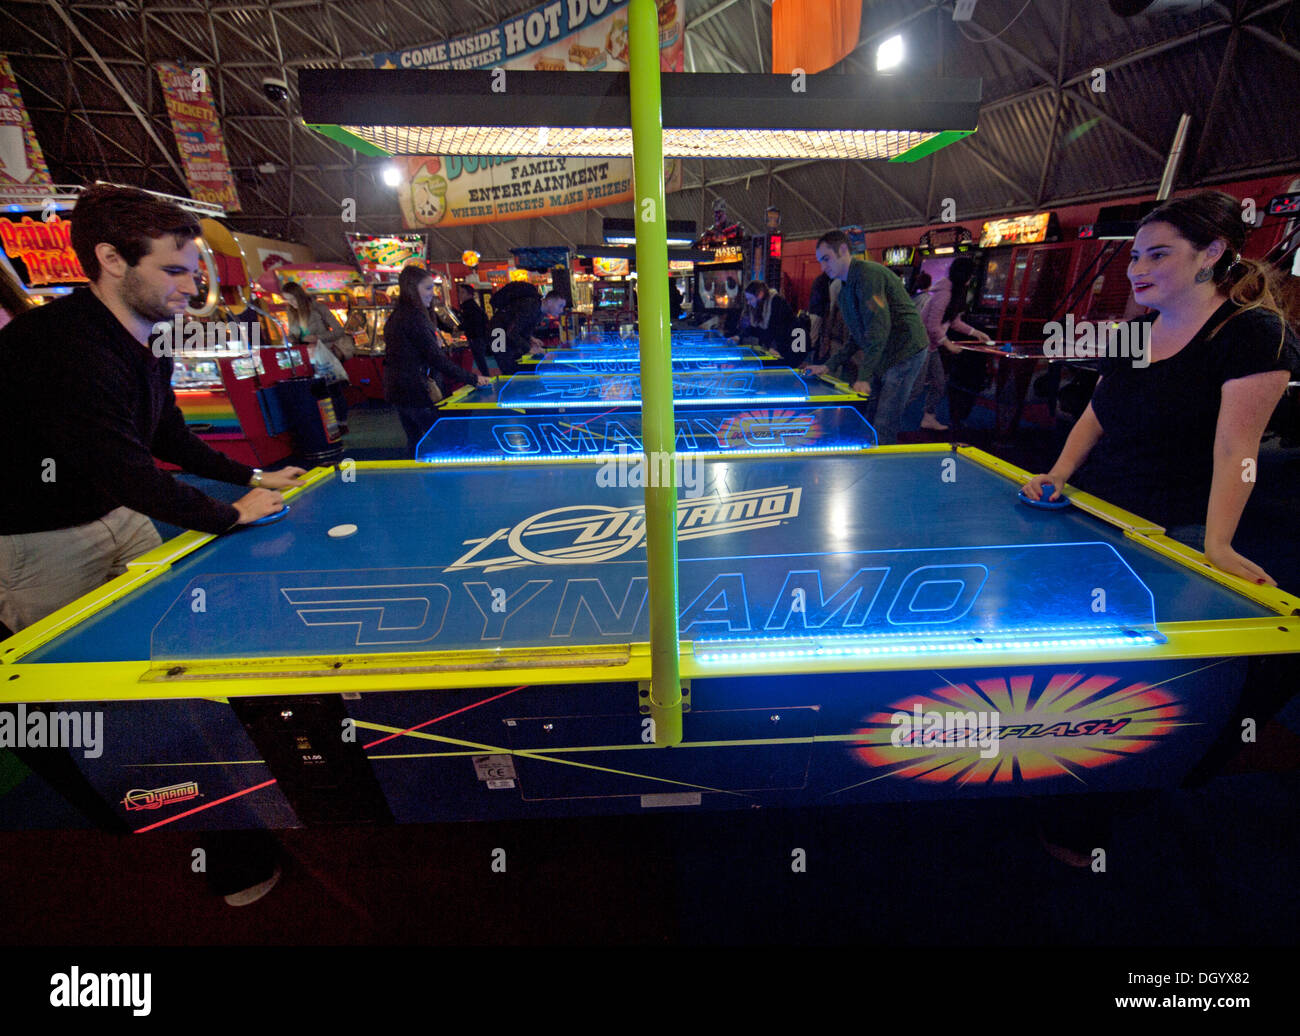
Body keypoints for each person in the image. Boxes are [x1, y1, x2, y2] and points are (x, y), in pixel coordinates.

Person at [0, 182, 305, 636]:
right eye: (172, 271)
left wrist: (253, 477)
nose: (191, 286)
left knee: (173, 630)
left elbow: (167, 434)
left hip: (120, 513)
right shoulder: (58, 344)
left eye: (191, 271)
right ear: (111, 260)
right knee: (66, 666)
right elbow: (125, 470)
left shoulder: (150, 331)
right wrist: (232, 513)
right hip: (42, 538)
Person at [1022, 190, 1297, 586]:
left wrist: (1218, 545)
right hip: (1100, 502)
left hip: (1177, 520)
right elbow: (1097, 412)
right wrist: (1058, 472)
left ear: (1211, 253)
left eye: (1158, 254)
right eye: (1135, 257)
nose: (1137, 270)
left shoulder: (1252, 333)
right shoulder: (1134, 332)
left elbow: (1237, 450)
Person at [806, 230, 929, 445]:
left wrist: (863, 376)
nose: (823, 267)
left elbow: (878, 329)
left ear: (843, 250)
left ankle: (882, 469)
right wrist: (827, 366)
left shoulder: (868, 276)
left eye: (826, 259)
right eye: (820, 261)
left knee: (884, 420)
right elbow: (857, 336)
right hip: (886, 351)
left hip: (906, 351)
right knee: (871, 414)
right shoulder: (844, 290)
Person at [383, 265, 488, 456]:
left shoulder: (397, 316)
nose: (433, 293)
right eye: (428, 288)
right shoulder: (415, 318)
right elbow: (437, 359)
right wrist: (472, 378)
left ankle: (413, 479)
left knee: (415, 441)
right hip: (416, 388)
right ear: (412, 288)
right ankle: (450, 482)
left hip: (397, 387)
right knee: (449, 440)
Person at [915, 257, 992, 432]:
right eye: (970, 275)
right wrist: (948, 344)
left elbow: (954, 322)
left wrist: (975, 333)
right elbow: (932, 325)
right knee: (915, 387)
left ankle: (928, 417)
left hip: (931, 346)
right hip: (920, 346)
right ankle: (887, 420)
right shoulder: (945, 293)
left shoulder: (954, 293)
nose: (971, 279)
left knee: (939, 383)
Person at [283, 280, 352, 425]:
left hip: (325, 352)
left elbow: (339, 331)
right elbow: (294, 333)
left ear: (299, 296)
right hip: (307, 356)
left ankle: (341, 422)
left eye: (293, 299)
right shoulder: (291, 313)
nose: (291, 303)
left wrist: (318, 337)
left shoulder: (319, 308)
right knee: (319, 393)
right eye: (288, 300)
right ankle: (327, 424)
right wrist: (292, 338)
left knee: (333, 390)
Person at [487, 282, 566, 375]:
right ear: (549, 302)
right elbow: (512, 332)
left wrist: (531, 339)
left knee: (513, 365)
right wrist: (529, 348)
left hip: (502, 333)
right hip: (497, 333)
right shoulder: (531, 306)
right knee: (508, 368)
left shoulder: (539, 311)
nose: (561, 310)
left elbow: (521, 327)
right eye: (560, 306)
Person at [734, 280, 798, 364]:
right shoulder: (758, 307)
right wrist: (738, 337)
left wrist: (773, 347)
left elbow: (779, 328)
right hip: (773, 347)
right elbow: (753, 328)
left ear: (760, 295)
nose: (748, 302)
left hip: (789, 345)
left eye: (750, 299)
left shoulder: (776, 301)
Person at [454, 283, 491, 376]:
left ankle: (486, 377)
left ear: (469, 294)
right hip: (479, 336)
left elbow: (470, 323)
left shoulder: (469, 307)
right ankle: (486, 377)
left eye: (462, 292)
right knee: (480, 360)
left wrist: (458, 328)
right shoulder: (472, 306)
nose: (460, 295)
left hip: (476, 337)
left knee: (480, 360)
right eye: (459, 292)